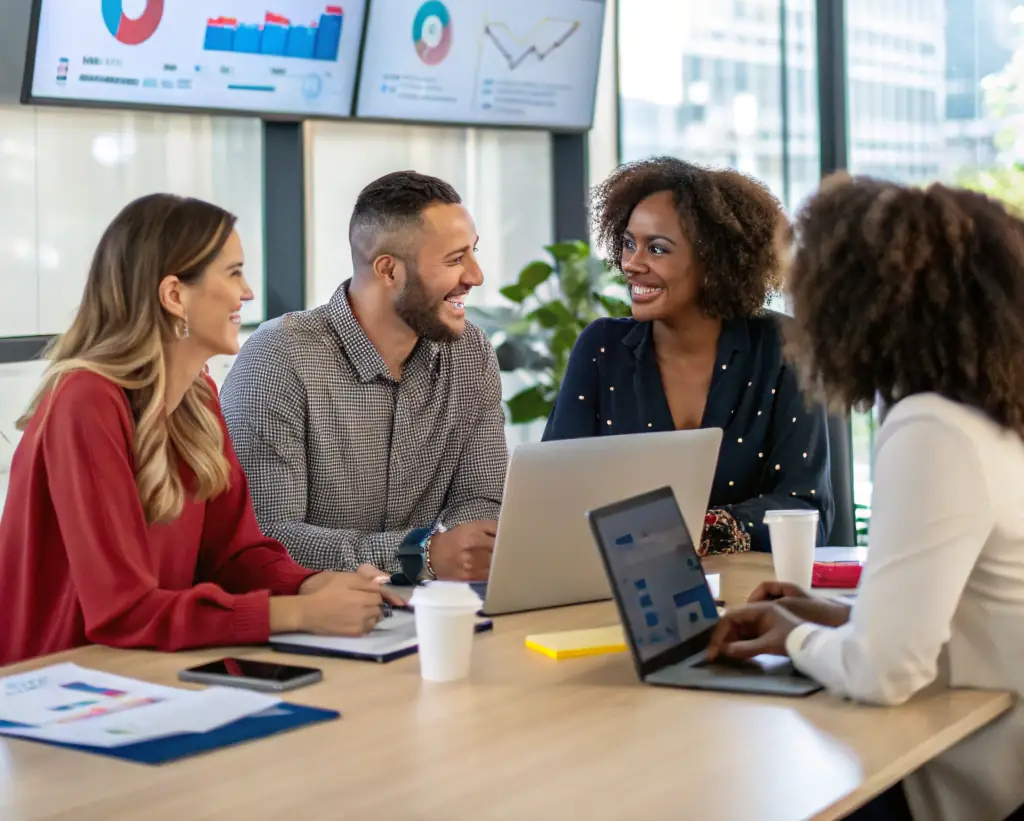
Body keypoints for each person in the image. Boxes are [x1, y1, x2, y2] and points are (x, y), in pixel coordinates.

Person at [708, 176, 1024, 821]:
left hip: (981, 766)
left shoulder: (932, 428)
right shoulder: (990, 414)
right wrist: (838, 615)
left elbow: (885, 673)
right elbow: (970, 610)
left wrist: (795, 637)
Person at [0, 194, 399, 668]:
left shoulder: (199, 397)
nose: (247, 293)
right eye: (233, 273)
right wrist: (298, 613)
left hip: (152, 671)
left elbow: (233, 557)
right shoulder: (85, 401)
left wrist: (312, 584)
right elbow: (122, 613)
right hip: (65, 683)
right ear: (174, 295)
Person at [221, 171, 508, 584]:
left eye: (473, 252)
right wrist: (416, 554)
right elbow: (267, 538)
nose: (476, 276)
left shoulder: (469, 352)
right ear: (388, 270)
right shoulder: (280, 358)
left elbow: (482, 502)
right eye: (454, 259)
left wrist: (449, 552)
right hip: (313, 614)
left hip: (437, 606)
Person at [543, 157, 833, 555]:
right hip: (623, 585)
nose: (631, 264)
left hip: (754, 588)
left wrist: (707, 530)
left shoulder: (784, 347)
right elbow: (553, 496)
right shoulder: (601, 348)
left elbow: (807, 509)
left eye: (656, 249)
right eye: (628, 244)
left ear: (714, 262)